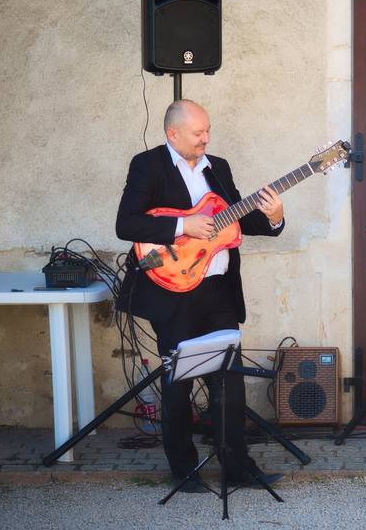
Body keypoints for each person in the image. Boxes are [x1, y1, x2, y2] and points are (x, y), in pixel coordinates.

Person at [116, 99, 285, 492]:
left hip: (218, 291)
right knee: (178, 384)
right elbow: (127, 222)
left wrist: (274, 216)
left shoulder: (218, 168)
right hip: (172, 290)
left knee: (229, 382)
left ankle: (238, 468)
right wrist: (183, 225)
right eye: (198, 133)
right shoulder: (148, 165)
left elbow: (236, 218)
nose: (206, 138)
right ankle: (185, 470)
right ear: (173, 134)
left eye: (208, 130)